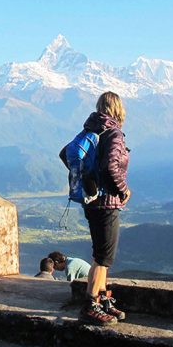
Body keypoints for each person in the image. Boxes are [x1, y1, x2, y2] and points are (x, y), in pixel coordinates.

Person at [70, 91, 130, 326]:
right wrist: (123, 190)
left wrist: (88, 181)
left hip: (92, 201)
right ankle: (91, 305)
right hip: (107, 203)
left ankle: (102, 300)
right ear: (118, 109)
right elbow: (110, 167)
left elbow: (66, 153)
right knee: (103, 257)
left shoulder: (91, 130)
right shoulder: (113, 133)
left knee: (101, 254)